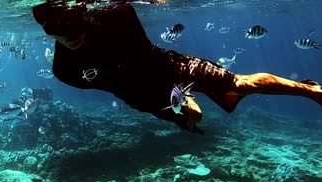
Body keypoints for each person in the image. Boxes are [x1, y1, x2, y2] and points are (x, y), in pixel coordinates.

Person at [33, 1, 321, 135]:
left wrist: (177, 90)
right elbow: (119, 89)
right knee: (193, 117)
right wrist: (174, 104)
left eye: (72, 19)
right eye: (54, 27)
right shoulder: (64, 70)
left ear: (84, 10)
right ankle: (185, 117)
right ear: (46, 28)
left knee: (239, 85)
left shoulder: (115, 14)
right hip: (142, 95)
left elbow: (143, 54)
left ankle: (310, 90)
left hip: (166, 66)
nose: (68, 32)